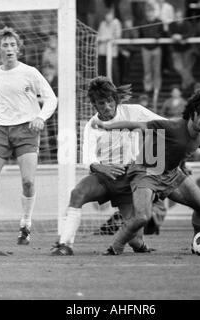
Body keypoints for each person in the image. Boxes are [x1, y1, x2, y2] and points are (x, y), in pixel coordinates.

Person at [92, 90, 200, 255]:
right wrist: (106, 126)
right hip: (146, 172)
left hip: (171, 174)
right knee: (142, 217)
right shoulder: (172, 127)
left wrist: (182, 163)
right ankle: (114, 248)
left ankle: (199, 244)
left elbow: (184, 148)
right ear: (191, 113)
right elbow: (138, 125)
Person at [50, 76, 165, 256]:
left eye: (110, 101)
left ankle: (141, 245)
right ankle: (65, 244)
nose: (107, 107)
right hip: (104, 178)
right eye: (101, 103)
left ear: (116, 99)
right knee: (77, 193)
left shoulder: (133, 111)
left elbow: (163, 123)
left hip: (129, 179)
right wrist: (102, 168)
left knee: (134, 239)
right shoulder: (91, 126)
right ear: (94, 105)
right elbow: (87, 158)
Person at [0, 27, 58, 245]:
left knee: (27, 181)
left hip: (26, 130)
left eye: (13, 45)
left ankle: (25, 225)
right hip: (1, 130)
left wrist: (41, 118)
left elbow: (51, 99)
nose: (9, 49)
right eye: (5, 45)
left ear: (18, 48)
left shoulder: (30, 72)